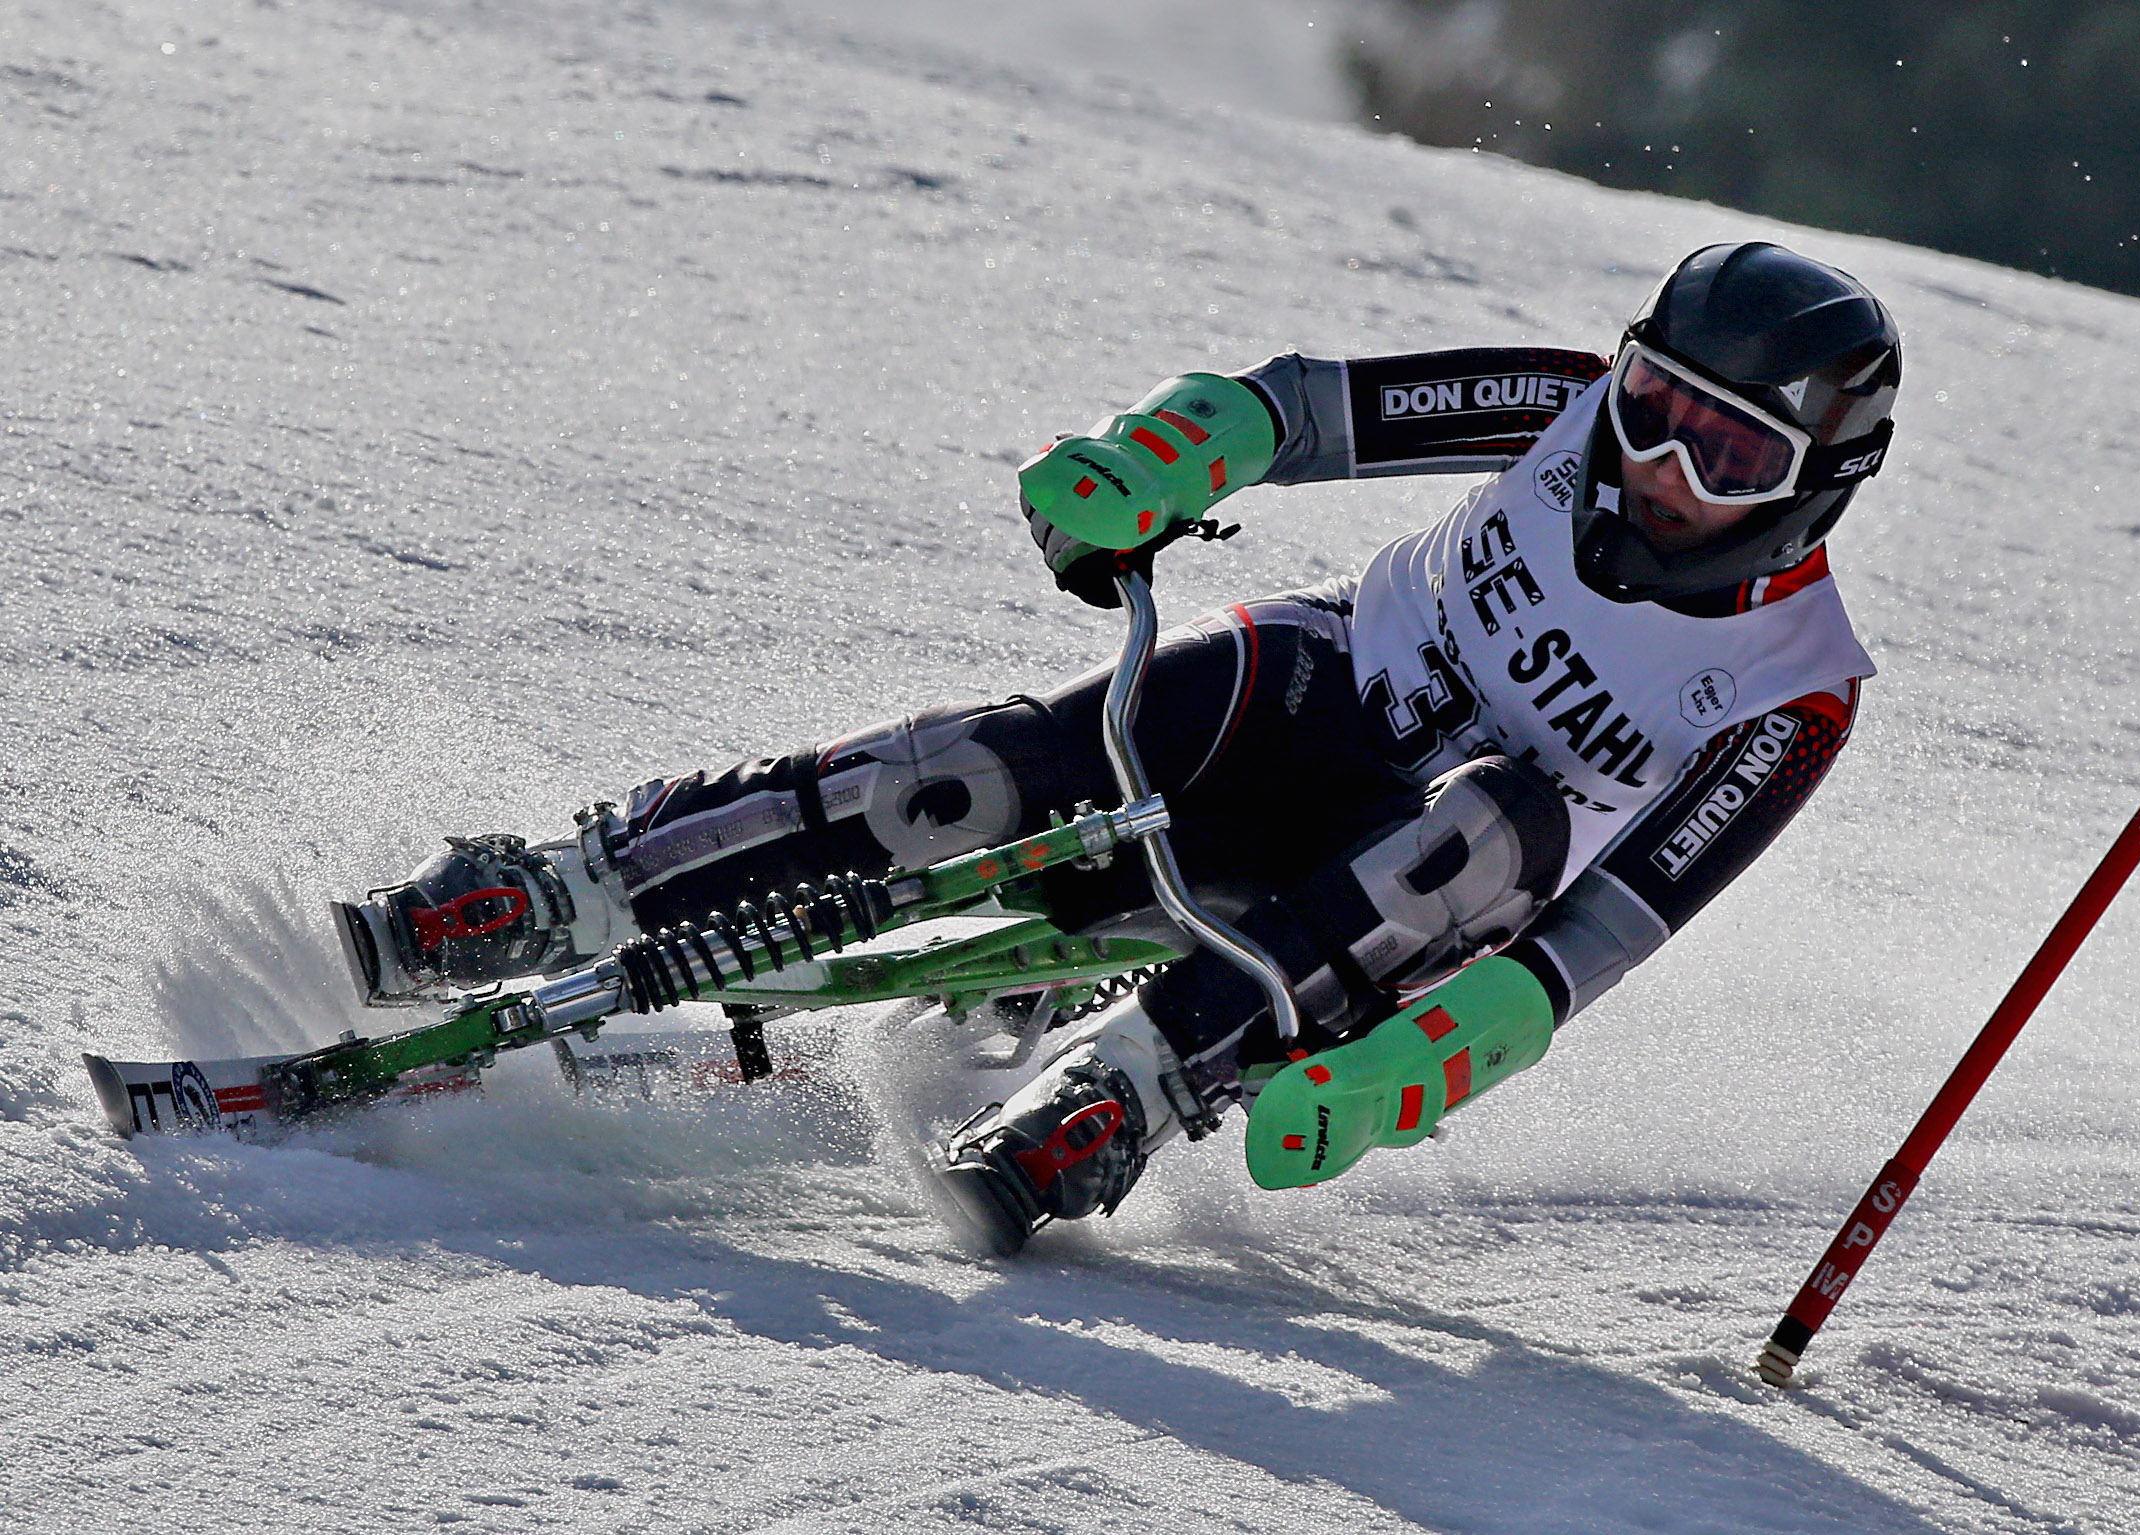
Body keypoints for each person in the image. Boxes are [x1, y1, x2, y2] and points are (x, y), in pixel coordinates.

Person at [333, 242, 1901, 1254]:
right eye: (1650, 405)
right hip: (1313, 697)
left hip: (1416, 890)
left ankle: (1121, 1094)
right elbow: (1292, 412)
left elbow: (1616, 927)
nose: (1660, 466)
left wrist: (1442, 1056)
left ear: (1820, 480)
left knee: (1490, 824)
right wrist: (1157, 458)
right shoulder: (1559, 412)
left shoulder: (1797, 685)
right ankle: (576, 887)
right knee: (1002, 765)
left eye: (1731, 448)